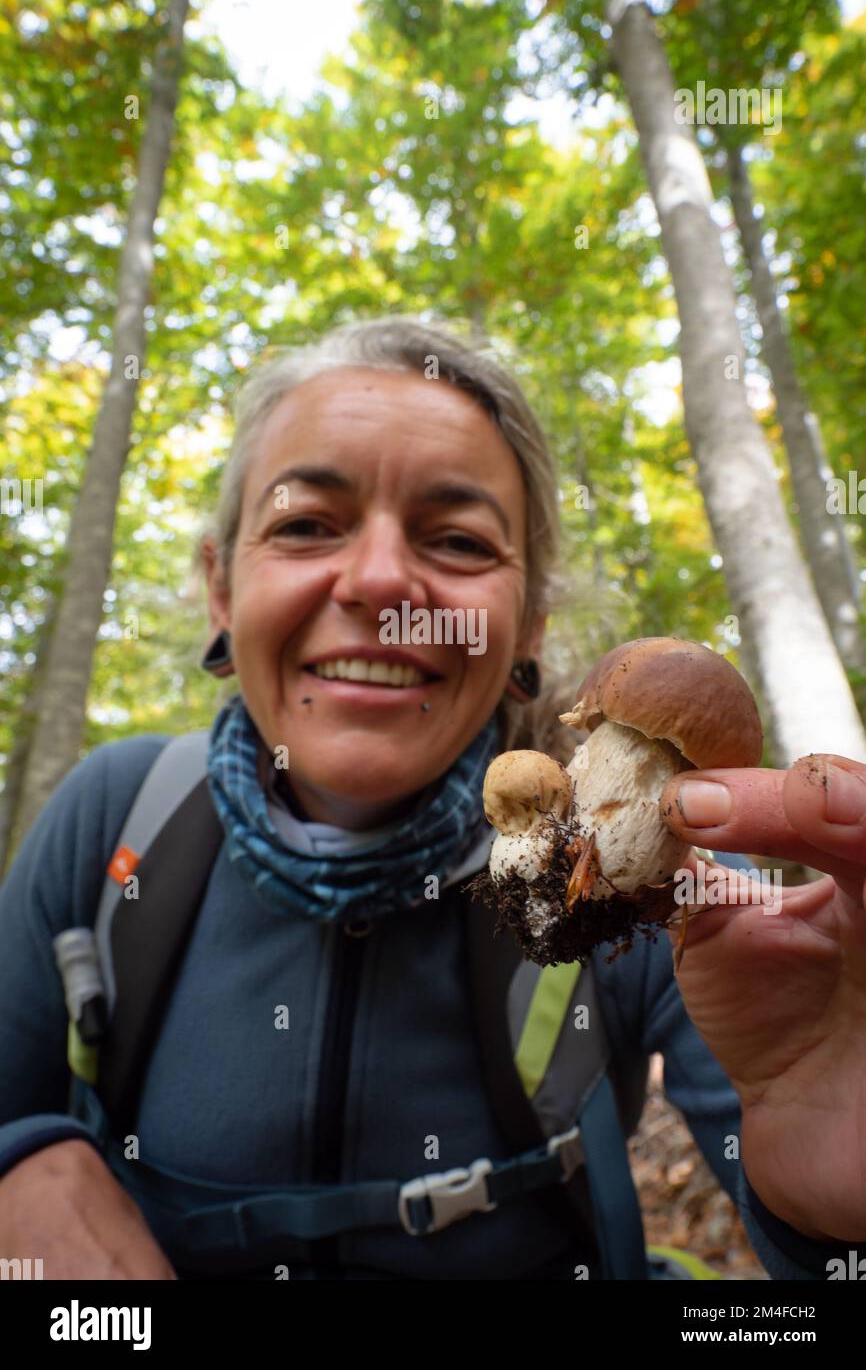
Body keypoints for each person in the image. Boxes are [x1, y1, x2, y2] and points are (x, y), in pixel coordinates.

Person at [0, 316, 864, 1281]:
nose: (377, 582)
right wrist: (20, 1161)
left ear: (529, 620)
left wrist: (832, 1226)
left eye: (455, 538)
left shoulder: (679, 896)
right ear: (219, 587)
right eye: (304, 525)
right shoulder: (113, 818)